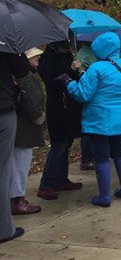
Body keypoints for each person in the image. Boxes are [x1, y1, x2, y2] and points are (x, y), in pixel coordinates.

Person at [61, 33, 121, 206]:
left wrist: (68, 82)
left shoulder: (96, 68)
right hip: (120, 119)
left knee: (101, 157)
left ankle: (104, 196)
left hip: (99, 120)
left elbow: (83, 94)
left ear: (98, 49)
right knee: (119, 153)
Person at [37, 42, 83, 201]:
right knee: (59, 145)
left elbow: (73, 77)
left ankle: (61, 179)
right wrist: (69, 73)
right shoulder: (46, 60)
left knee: (66, 144)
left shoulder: (67, 55)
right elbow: (52, 82)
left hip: (71, 106)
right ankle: (46, 184)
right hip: (58, 107)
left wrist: (76, 71)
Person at [10, 48, 45, 215]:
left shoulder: (25, 74)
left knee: (18, 164)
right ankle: (17, 199)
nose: (38, 57)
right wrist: (38, 116)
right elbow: (30, 100)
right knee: (20, 164)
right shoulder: (24, 76)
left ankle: (16, 198)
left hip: (22, 127)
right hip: (24, 128)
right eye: (34, 55)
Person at [0, 52, 29, 243]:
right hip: (2, 110)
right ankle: (4, 229)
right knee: (2, 170)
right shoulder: (4, 39)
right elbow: (22, 69)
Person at [76, 43, 96, 171]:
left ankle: (88, 158)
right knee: (89, 128)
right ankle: (87, 159)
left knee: (88, 127)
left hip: (84, 91)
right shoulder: (89, 53)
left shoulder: (82, 51)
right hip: (89, 92)